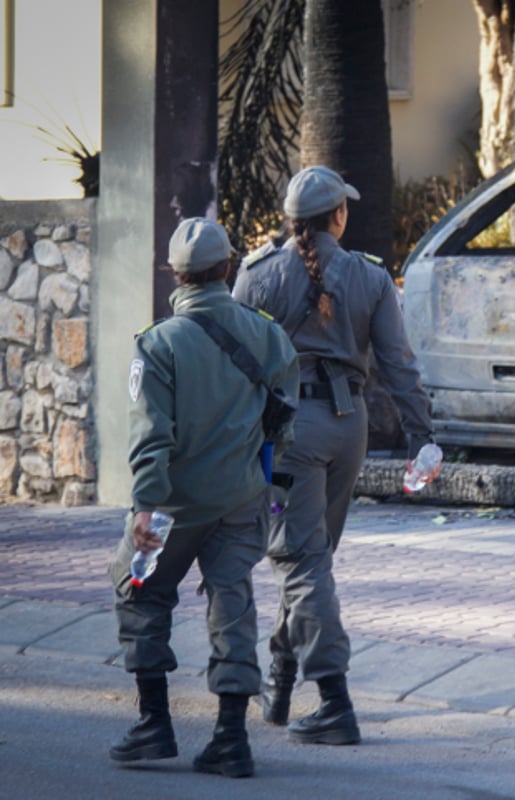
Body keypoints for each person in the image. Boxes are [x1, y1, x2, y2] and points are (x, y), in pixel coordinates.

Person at [232, 165, 437, 745]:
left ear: (291, 221)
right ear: (338, 217)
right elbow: (399, 365)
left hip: (286, 435)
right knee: (310, 559)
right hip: (349, 429)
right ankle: (281, 672)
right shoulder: (370, 278)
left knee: (300, 561)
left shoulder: (257, 276)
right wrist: (423, 436)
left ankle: (334, 700)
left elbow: (234, 366)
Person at [108, 217, 300, 778]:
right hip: (242, 499)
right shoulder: (266, 334)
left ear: (177, 274)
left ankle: (154, 724)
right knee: (232, 603)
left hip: (172, 505)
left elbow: (150, 434)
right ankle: (231, 738)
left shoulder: (159, 343)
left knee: (139, 590)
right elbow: (284, 419)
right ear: (227, 268)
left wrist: (144, 506)